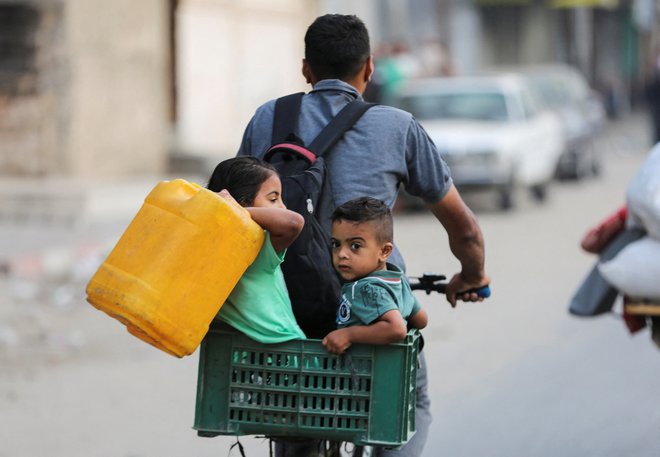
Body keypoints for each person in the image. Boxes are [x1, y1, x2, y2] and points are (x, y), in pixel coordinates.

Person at [234, 13, 490, 457]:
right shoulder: (397, 127)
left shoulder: (267, 119)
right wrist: (472, 275)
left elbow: (234, 213)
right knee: (411, 406)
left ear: (306, 70)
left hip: (287, 304)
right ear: (369, 69)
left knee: (295, 422)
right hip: (373, 303)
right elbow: (463, 227)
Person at [206, 156, 306, 343]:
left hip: (282, 352)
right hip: (274, 348)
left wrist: (232, 211)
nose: (283, 207)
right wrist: (234, 211)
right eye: (274, 199)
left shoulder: (261, 245)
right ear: (244, 202)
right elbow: (293, 222)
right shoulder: (256, 248)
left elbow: (293, 223)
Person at [322, 197, 428, 355]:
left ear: (384, 252)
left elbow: (396, 329)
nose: (342, 254)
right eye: (336, 244)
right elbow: (421, 320)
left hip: (365, 373)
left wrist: (348, 334)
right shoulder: (397, 279)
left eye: (355, 246)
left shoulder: (365, 289)